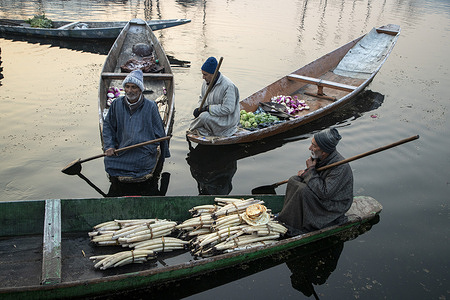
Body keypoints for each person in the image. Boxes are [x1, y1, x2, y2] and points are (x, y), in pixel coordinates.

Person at [277, 128, 353, 235]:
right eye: (311, 144)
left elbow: (324, 193)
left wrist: (310, 171)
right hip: (321, 192)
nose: (310, 148)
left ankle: (298, 226)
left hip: (333, 205)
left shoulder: (340, 167)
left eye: (314, 146)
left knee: (303, 190)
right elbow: (315, 179)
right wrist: (306, 172)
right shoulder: (320, 157)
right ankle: (287, 218)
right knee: (294, 180)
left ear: (324, 151)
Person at [102, 69, 170, 185]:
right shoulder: (116, 104)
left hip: (142, 150)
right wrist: (109, 146)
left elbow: (160, 133)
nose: (130, 90)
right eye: (127, 87)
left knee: (142, 162)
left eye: (134, 87)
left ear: (140, 89)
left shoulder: (151, 106)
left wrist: (159, 152)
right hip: (122, 149)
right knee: (109, 160)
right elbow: (108, 127)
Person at [189, 57, 240, 136]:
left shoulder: (228, 86)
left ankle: (192, 129)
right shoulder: (205, 83)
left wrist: (207, 109)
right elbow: (201, 98)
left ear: (214, 74)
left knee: (204, 117)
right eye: (202, 74)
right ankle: (204, 128)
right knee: (201, 115)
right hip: (214, 115)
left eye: (205, 75)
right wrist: (200, 109)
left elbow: (228, 109)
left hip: (227, 120)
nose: (203, 77)